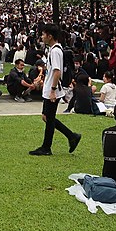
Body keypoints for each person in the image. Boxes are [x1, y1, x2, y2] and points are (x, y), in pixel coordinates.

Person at [29, 24, 82, 156]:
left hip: (53, 89)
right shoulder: (52, 50)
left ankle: (47, 147)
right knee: (47, 117)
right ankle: (71, 136)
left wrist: (52, 90)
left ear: (50, 36)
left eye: (43, 34)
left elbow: (57, 72)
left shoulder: (56, 51)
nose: (42, 37)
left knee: (49, 118)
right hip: (49, 88)